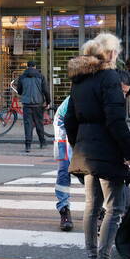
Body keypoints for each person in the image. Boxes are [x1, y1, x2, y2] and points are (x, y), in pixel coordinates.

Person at [64, 33, 130, 259]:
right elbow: (116, 120)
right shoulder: (109, 78)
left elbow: (68, 120)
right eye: (116, 51)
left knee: (91, 207)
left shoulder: (80, 81)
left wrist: (80, 146)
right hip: (107, 152)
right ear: (110, 54)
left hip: (86, 152)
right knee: (115, 208)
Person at [15, 60, 50, 154]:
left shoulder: (22, 77)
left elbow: (19, 91)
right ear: (35, 66)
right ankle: (42, 143)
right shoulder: (41, 76)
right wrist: (48, 101)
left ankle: (28, 146)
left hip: (27, 104)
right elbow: (45, 91)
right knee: (39, 124)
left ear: (27, 66)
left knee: (28, 125)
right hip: (38, 104)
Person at [53, 96, 73, 232]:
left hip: (80, 120)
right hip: (63, 121)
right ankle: (63, 209)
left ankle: (98, 209)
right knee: (65, 166)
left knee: (91, 169)